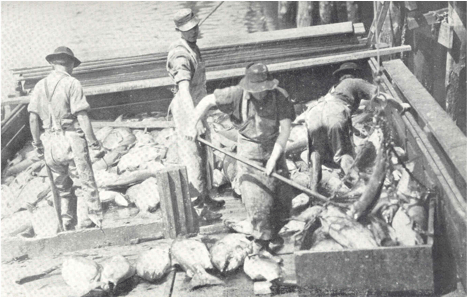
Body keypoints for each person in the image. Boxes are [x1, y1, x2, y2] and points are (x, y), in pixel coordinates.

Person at [187, 62, 296, 255]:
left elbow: (285, 130)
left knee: (283, 202)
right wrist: (192, 125)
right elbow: (206, 101)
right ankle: (260, 245)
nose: (261, 93)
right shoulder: (235, 94)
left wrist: (273, 159)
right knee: (257, 201)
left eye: (264, 89)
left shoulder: (280, 96)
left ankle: (275, 235)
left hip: (274, 150)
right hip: (249, 154)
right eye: (257, 90)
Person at [300, 62, 410, 192]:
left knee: (316, 151)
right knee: (343, 154)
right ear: (355, 74)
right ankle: (363, 191)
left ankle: (314, 191)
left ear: (340, 77)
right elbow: (381, 95)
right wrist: (400, 106)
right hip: (334, 111)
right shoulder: (355, 81)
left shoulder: (334, 89)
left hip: (314, 113)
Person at [28, 46, 104, 230]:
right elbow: (82, 116)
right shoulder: (72, 83)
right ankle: (92, 222)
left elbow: (32, 118)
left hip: (50, 143)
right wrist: (94, 142)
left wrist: (38, 144)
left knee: (62, 186)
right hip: (70, 138)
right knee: (85, 182)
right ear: (70, 64)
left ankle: (67, 222)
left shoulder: (40, 86)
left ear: (53, 63)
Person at [166, 8, 225, 221]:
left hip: (198, 105)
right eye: (187, 30)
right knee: (193, 156)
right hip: (186, 109)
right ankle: (198, 209)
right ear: (178, 31)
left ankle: (207, 196)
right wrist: (193, 121)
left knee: (205, 152)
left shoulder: (193, 46)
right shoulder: (180, 54)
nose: (192, 32)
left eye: (194, 27)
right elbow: (183, 91)